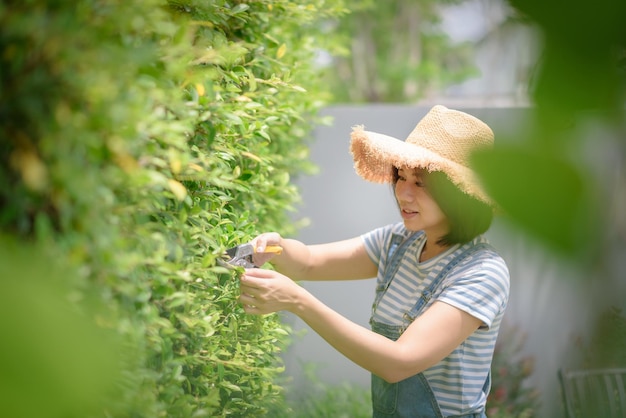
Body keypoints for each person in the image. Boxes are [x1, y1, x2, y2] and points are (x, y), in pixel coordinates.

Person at [239, 105, 510, 417]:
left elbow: (399, 362)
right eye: (401, 176)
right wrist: (276, 248)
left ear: (460, 195)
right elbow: (309, 263)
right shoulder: (398, 241)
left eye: (420, 183)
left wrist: (299, 302)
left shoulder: (481, 272)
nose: (403, 193)